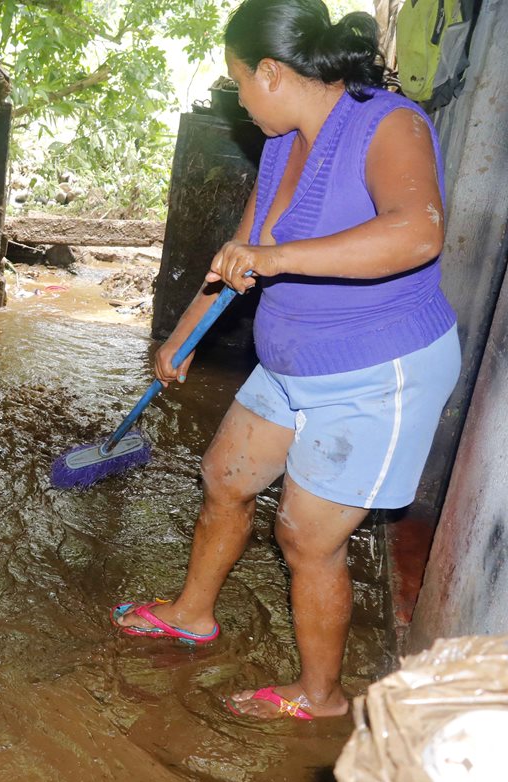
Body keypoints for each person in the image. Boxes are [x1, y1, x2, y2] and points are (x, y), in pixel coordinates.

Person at [112, 0, 460, 720]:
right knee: (225, 477)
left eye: (240, 81)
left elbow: (416, 234)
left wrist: (276, 257)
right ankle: (192, 613)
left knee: (305, 535)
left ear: (271, 71)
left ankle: (320, 697)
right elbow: (238, 260)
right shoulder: (279, 146)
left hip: (376, 369)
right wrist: (181, 338)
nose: (239, 99)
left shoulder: (385, 122)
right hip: (293, 364)